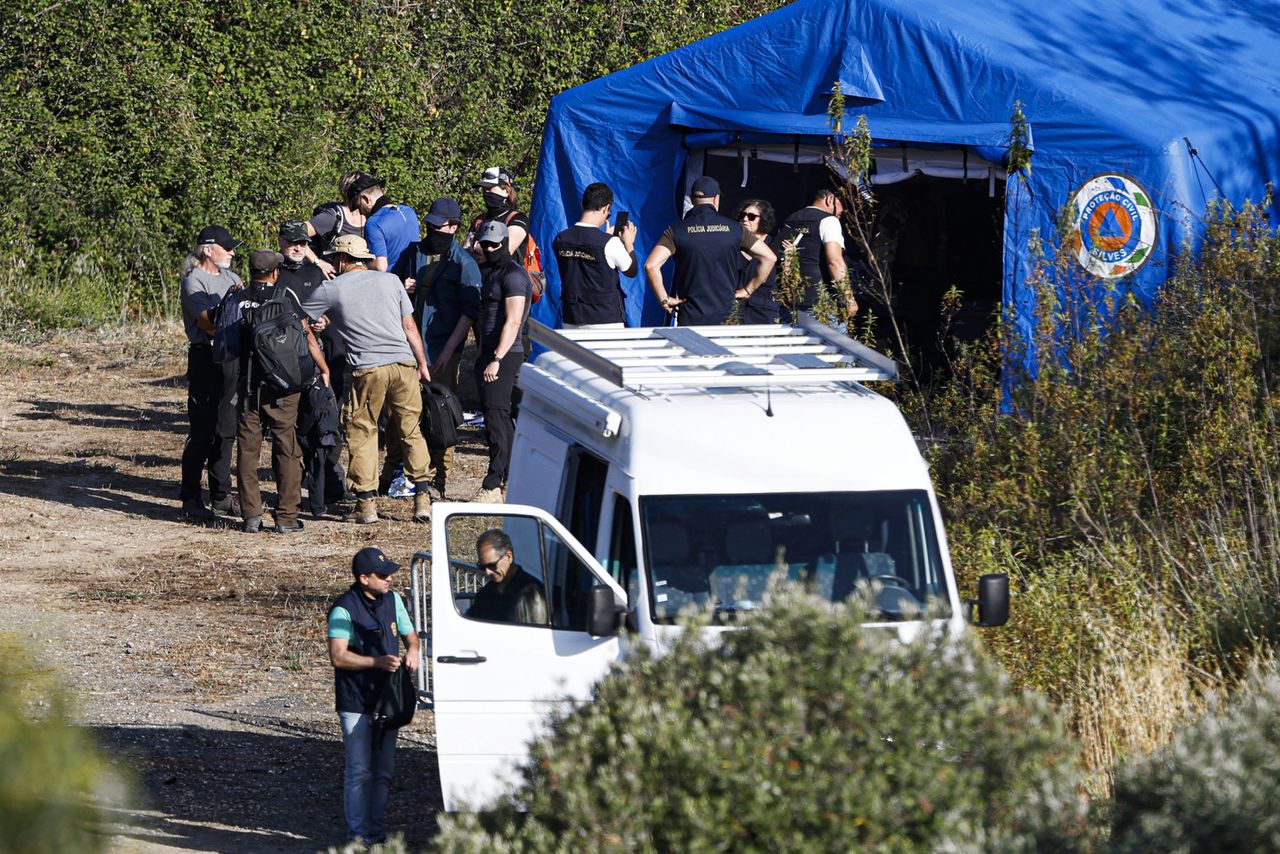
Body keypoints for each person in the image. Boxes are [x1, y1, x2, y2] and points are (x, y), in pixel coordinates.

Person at [309, 234, 433, 524]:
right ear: (363, 259)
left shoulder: (331, 288)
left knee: (362, 431)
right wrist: (422, 363)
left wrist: (323, 322)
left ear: (341, 259)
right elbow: (409, 325)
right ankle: (422, 499)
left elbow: (304, 318)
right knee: (410, 429)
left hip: (367, 368)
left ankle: (366, 505)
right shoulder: (391, 280)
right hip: (403, 363)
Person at [327, 546, 420, 847]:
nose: (389, 579)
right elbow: (338, 657)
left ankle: (376, 835)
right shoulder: (344, 609)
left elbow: (410, 634)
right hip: (356, 703)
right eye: (383, 575)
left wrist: (414, 650)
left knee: (383, 771)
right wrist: (376, 662)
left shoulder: (393, 600)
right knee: (359, 771)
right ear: (363, 578)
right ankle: (357, 838)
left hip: (387, 702)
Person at [235, 250, 330, 534]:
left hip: (248, 385)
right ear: (275, 272)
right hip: (284, 387)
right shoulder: (284, 297)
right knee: (286, 448)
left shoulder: (238, 299)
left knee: (248, 450)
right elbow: (308, 337)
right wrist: (323, 368)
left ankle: (251, 516)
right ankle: (287, 516)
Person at [394, 197, 482, 498]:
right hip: (408, 347)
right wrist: (402, 287)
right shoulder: (412, 253)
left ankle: (439, 480)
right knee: (404, 415)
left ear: (454, 227)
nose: (431, 230)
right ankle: (400, 474)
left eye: (437, 226)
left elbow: (469, 313)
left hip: (442, 349)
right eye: (429, 225)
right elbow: (391, 286)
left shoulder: (464, 264)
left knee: (440, 415)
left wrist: (448, 352)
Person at [278, 220, 349, 516]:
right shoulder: (273, 272)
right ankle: (293, 496)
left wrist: (324, 321)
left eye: (303, 243)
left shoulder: (316, 272)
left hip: (321, 359)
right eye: (293, 241)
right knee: (293, 433)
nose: (298, 247)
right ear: (281, 241)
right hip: (286, 360)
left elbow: (331, 309)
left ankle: (326, 493)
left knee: (325, 430)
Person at [644, 176, 776, 326]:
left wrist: (664, 298)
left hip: (690, 315)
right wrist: (747, 290)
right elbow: (769, 257)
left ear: (693, 200)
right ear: (716, 199)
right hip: (726, 316)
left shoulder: (676, 230)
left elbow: (651, 265)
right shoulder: (735, 229)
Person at [178, 225, 244, 521]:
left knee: (226, 431)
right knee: (203, 431)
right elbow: (207, 323)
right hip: (206, 358)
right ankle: (191, 496)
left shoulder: (233, 278)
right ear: (208, 250)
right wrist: (232, 305)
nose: (232, 252)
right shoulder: (194, 281)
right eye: (226, 247)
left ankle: (221, 497)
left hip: (232, 357)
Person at [472, 221, 530, 502]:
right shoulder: (491, 272)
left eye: (495, 244)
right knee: (500, 418)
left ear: (505, 243)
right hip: (490, 352)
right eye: (487, 244)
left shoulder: (513, 275)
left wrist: (497, 358)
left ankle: (493, 483)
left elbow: (514, 320)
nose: (490, 249)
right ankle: (509, 477)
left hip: (505, 354)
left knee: (496, 416)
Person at [552, 182, 638, 328]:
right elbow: (631, 270)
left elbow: (583, 261)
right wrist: (629, 244)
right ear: (606, 208)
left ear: (582, 205)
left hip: (572, 319)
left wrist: (606, 239)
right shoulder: (609, 243)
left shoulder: (561, 239)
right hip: (605, 321)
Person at [780, 187, 857, 319]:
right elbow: (835, 261)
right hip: (822, 302)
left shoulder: (791, 219)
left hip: (792, 300)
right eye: (842, 205)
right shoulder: (829, 220)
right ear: (830, 200)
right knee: (835, 340)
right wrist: (848, 298)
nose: (843, 211)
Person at [467, 529, 548, 625]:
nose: (487, 572)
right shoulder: (485, 594)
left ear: (509, 557)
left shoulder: (532, 591)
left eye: (492, 565)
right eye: (483, 567)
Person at [350, 174, 420, 280]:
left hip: (391, 284)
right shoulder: (409, 211)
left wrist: (359, 263)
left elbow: (380, 266)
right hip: (414, 280)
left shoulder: (374, 223)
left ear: (366, 199)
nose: (359, 211)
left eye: (358, 205)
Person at [464, 167, 530, 266]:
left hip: (507, 279)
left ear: (507, 191)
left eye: (490, 188)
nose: (486, 193)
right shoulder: (480, 219)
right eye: (484, 189)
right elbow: (466, 251)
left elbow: (502, 254)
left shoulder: (518, 219)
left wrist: (477, 248)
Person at [307, 170, 368, 278]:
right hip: (334, 281)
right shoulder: (333, 217)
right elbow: (295, 232)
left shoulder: (371, 217)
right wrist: (317, 261)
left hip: (362, 281)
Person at [732, 199, 783, 323]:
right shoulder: (734, 245)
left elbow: (786, 281)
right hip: (736, 313)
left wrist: (789, 259)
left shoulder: (775, 246)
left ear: (763, 219)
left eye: (751, 217)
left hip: (763, 314)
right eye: (743, 215)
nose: (745, 219)